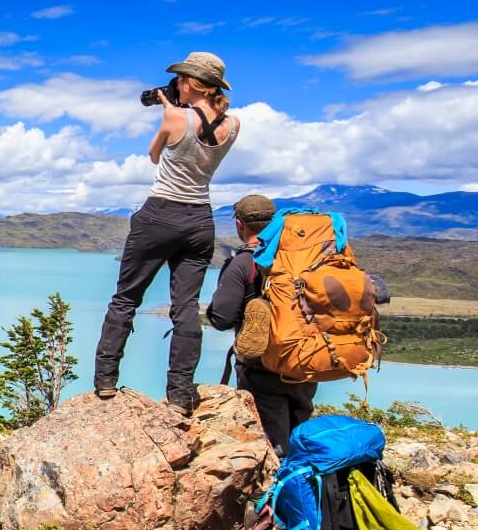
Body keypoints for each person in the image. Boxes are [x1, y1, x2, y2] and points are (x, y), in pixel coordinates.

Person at [94, 51, 240, 413]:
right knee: (186, 306)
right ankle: (179, 392)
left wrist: (169, 110)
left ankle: (106, 381)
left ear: (191, 82)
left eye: (181, 80)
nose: (177, 85)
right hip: (200, 220)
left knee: (126, 298)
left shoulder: (174, 117)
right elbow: (204, 132)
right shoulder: (233, 124)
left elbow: (154, 155)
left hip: (160, 213)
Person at [206, 194, 316, 456]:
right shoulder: (301, 259)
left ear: (239, 224)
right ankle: (305, 489)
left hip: (262, 368)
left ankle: (274, 493)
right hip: (304, 362)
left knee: (270, 445)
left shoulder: (243, 262)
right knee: (298, 436)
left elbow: (221, 318)